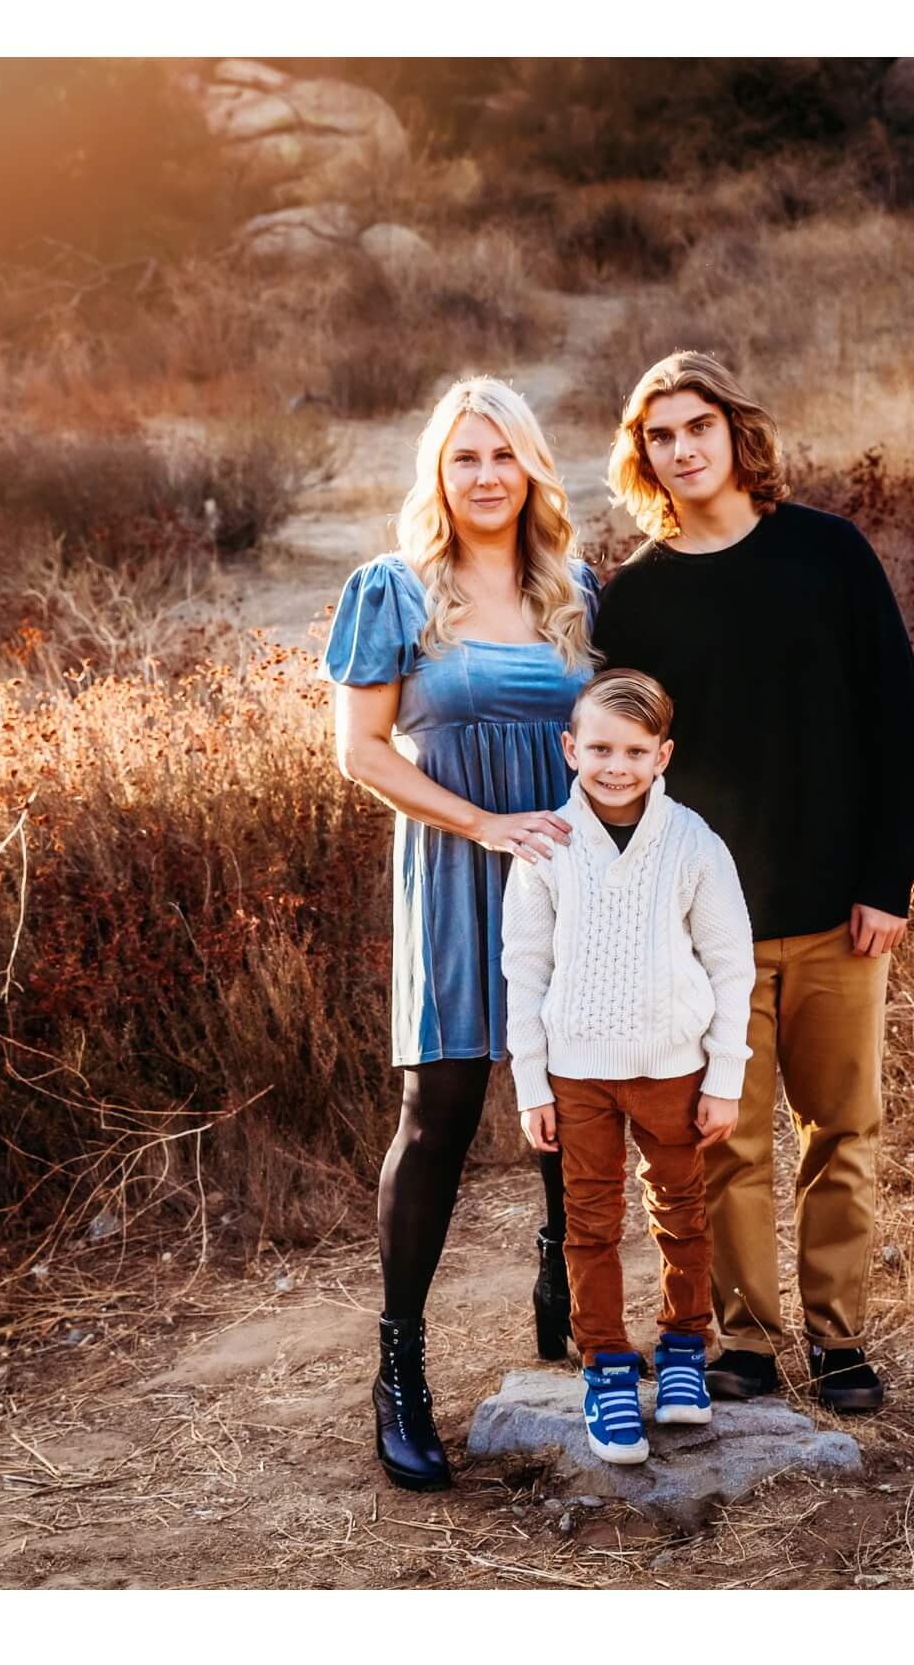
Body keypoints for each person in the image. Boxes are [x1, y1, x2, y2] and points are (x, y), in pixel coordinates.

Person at [588, 351, 914, 1414]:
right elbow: (623, 768)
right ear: (641, 455)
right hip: (704, 934)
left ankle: (838, 1342)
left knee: (842, 1134)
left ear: (737, 433)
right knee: (720, 1145)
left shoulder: (826, 553)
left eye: (698, 427)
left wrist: (887, 881)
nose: (682, 450)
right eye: (660, 436)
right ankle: (742, 1342)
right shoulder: (635, 601)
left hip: (837, 913)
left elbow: (895, 719)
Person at [321, 375, 599, 1492]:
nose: (485, 477)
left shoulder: (577, 592)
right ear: (437, 474)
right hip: (451, 865)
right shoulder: (391, 590)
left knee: (577, 1088)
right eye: (463, 458)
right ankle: (399, 1370)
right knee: (437, 1109)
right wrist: (483, 823)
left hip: (567, 870)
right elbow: (363, 751)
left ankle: (561, 1280)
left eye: (503, 456)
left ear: (532, 467)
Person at [500, 669, 755, 1464]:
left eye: (635, 749)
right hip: (575, 1071)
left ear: (662, 754)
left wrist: (724, 1076)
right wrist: (530, 1082)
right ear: (570, 746)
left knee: (682, 1209)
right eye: (600, 746)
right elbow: (524, 966)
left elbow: (730, 962)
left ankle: (683, 1348)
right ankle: (606, 1361)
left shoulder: (692, 843)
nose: (616, 764)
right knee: (590, 1220)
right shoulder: (546, 846)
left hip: (672, 1066)